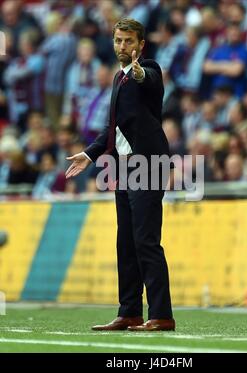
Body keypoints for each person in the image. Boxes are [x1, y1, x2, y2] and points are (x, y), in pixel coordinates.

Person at [65, 18, 175, 332]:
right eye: (118, 40)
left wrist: (140, 72)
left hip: (148, 165)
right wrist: (89, 154)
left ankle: (162, 314)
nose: (122, 46)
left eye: (128, 41)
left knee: (145, 240)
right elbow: (113, 129)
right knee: (125, 241)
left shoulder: (147, 70)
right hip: (123, 167)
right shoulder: (118, 78)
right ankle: (129, 311)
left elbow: (149, 79)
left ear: (141, 45)